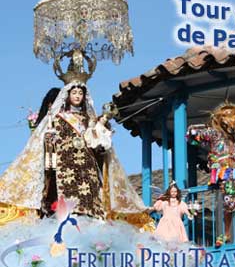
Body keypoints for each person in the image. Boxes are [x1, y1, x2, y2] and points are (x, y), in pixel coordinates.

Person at [0, 81, 153, 230]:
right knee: (66, 196)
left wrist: (101, 128)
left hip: (88, 166)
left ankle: (92, 218)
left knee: (91, 194)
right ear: (67, 95)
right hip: (66, 165)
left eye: (80, 93)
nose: (77, 96)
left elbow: (96, 141)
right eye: (74, 93)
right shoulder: (58, 118)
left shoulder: (89, 119)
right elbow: (47, 138)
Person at [187, 101, 235, 248]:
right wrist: (204, 128)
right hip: (226, 174)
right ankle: (226, 234)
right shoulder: (215, 135)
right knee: (229, 204)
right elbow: (191, 133)